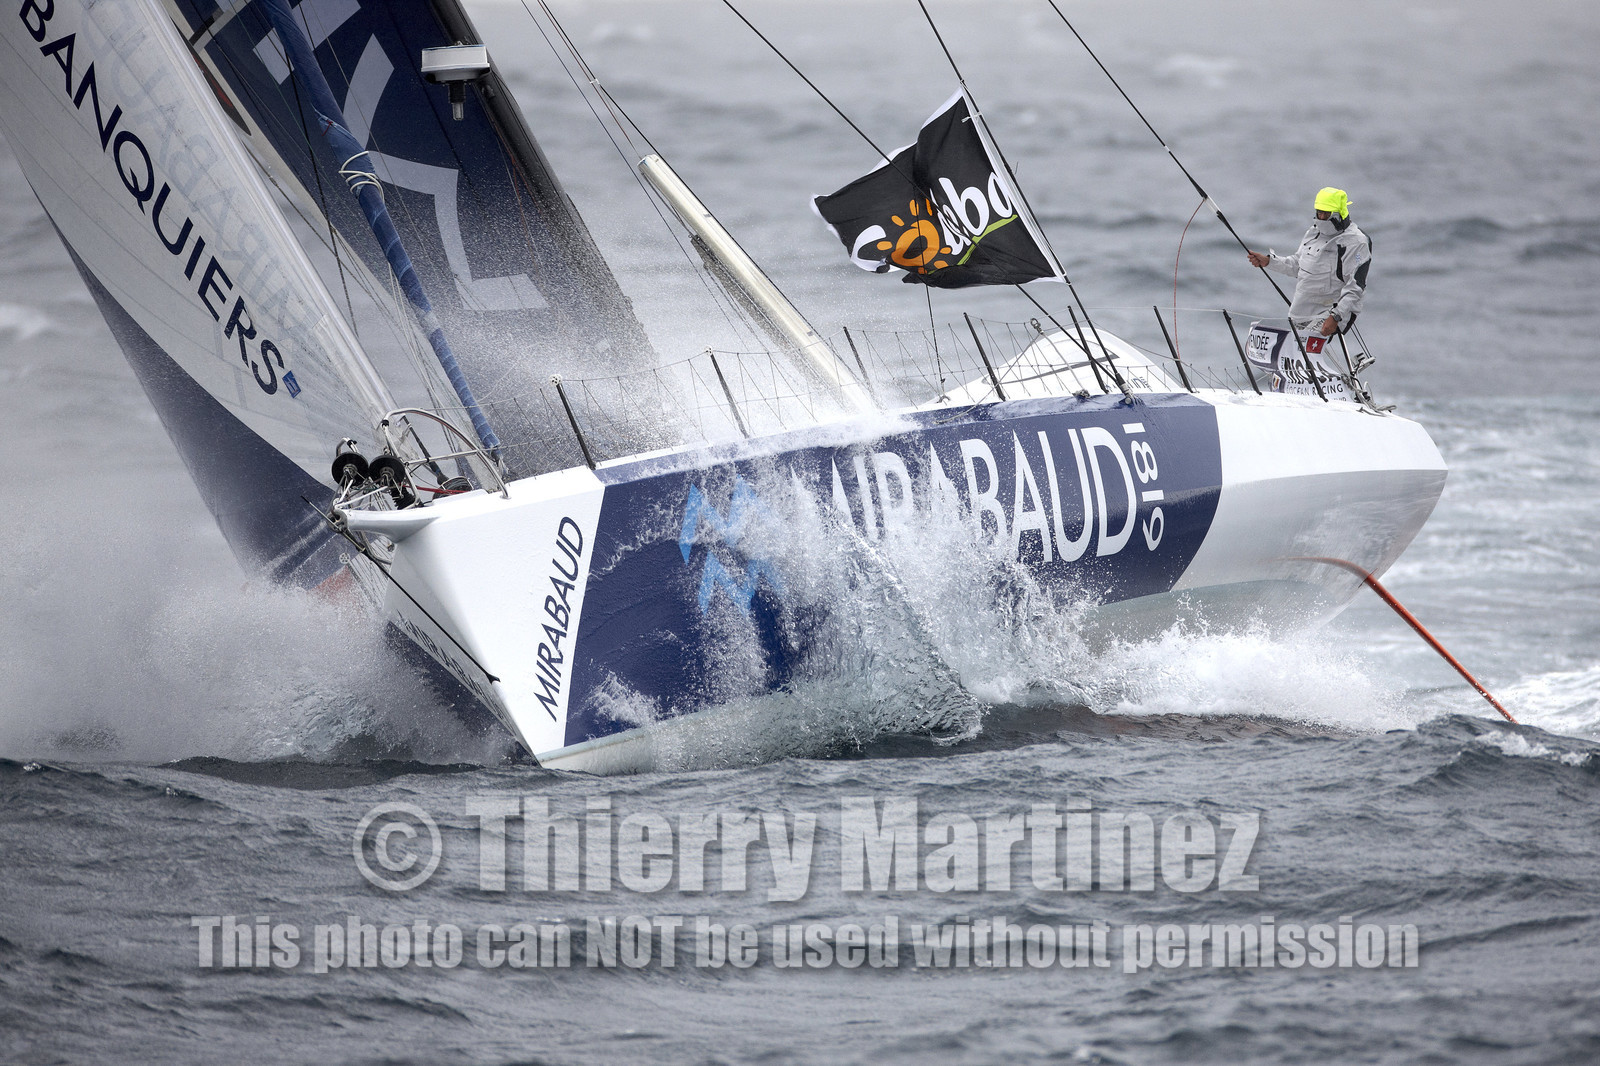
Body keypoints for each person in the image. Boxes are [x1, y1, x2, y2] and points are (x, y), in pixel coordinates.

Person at [1247, 188, 1371, 337]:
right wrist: (1269, 262)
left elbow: (1356, 286)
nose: (1322, 217)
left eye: (1327, 214)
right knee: (1292, 356)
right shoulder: (1313, 232)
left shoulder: (1356, 242)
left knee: (1304, 353)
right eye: (1320, 212)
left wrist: (1336, 316)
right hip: (1300, 314)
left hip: (1330, 315)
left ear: (1340, 214)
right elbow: (1298, 265)